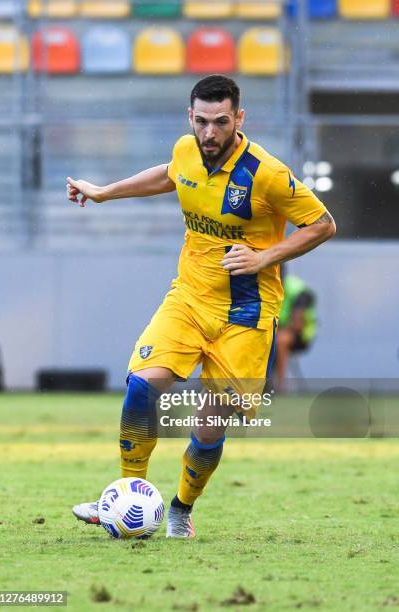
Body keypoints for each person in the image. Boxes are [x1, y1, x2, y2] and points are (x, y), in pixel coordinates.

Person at [67, 75, 336, 538]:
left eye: (221, 122)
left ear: (239, 119)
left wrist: (264, 256)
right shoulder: (186, 150)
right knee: (140, 386)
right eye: (202, 122)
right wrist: (105, 192)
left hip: (247, 316)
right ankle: (127, 496)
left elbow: (324, 224)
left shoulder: (267, 173)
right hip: (189, 298)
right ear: (190, 117)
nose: (210, 133)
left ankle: (180, 510)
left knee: (209, 426)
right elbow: (170, 175)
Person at [275, 272, 317, 392]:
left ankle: (280, 386)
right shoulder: (268, 288)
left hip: (301, 334)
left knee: (280, 340)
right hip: (279, 328)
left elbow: (298, 325)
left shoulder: (297, 290)